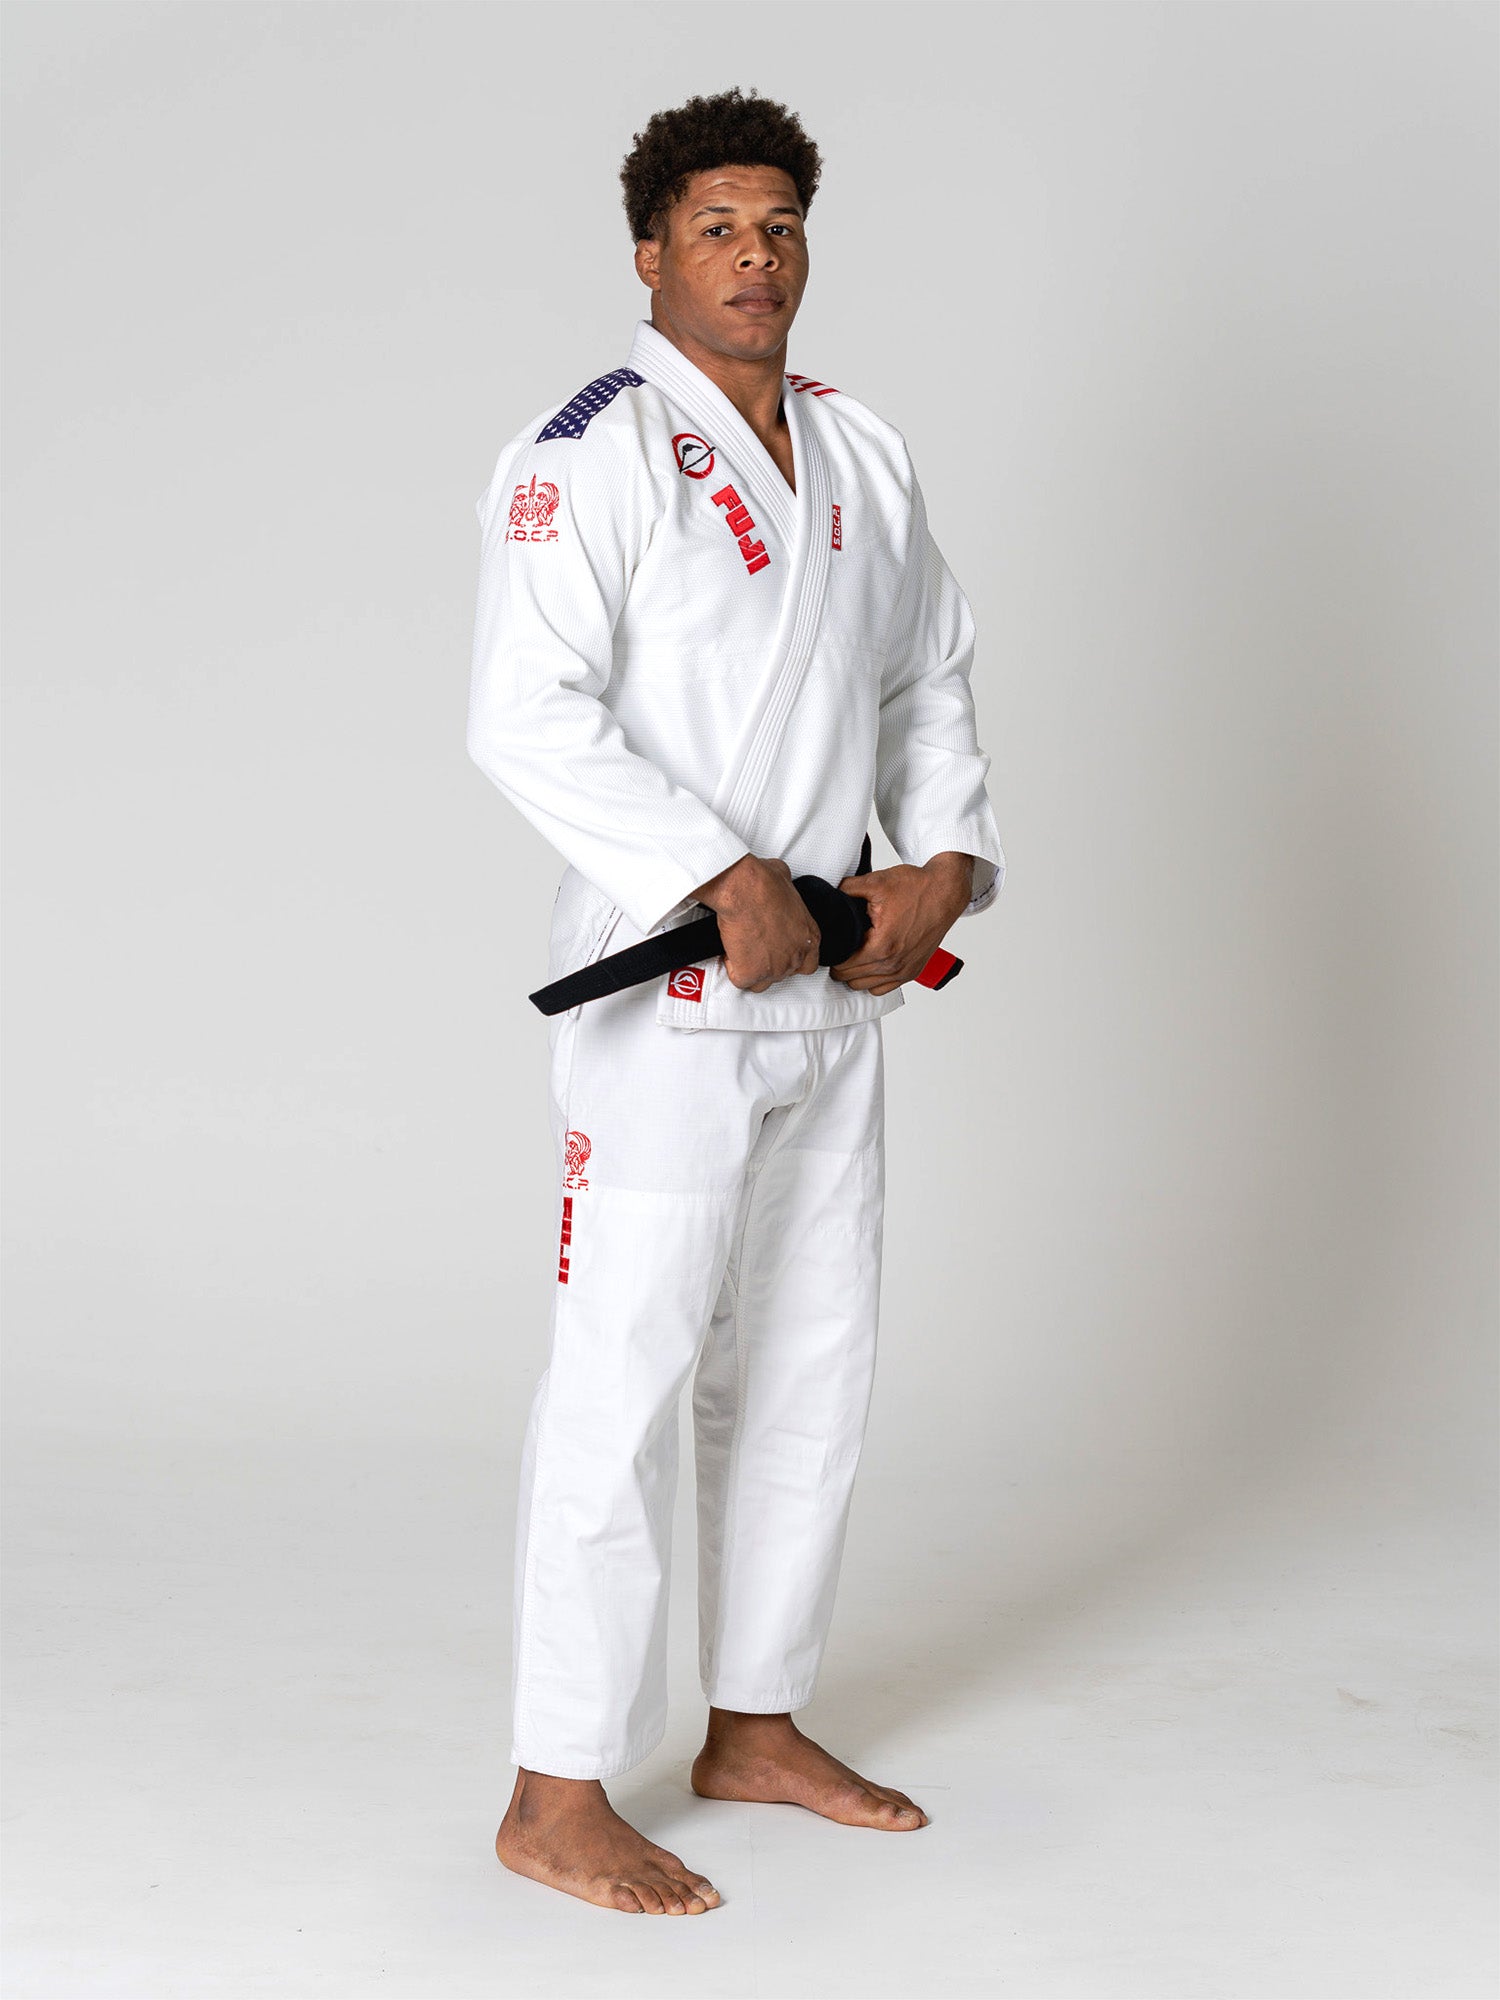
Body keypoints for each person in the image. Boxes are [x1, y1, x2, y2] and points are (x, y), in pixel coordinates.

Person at [466, 87, 1006, 1916]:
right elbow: (523, 713)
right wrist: (715, 871)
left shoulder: (863, 449)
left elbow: (930, 674)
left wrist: (943, 863)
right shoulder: (590, 452)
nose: (754, 253)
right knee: (624, 1372)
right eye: (715, 226)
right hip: (672, 997)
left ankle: (755, 1721)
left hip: (838, 986)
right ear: (649, 255)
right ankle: (553, 1787)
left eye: (778, 224)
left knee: (811, 1364)